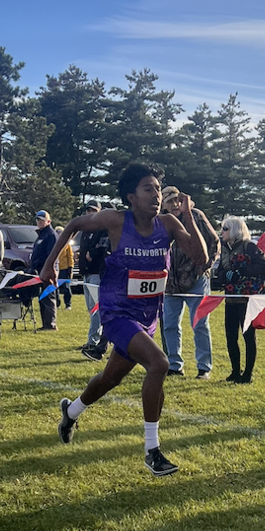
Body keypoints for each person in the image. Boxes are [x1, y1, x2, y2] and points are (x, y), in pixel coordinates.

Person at [40, 163, 208, 476]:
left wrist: (188, 217)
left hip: (147, 317)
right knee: (159, 364)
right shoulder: (115, 220)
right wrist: (50, 266)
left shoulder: (169, 224)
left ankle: (71, 410)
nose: (156, 195)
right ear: (131, 196)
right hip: (116, 312)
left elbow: (202, 259)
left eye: (158, 189)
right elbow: (75, 223)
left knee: (110, 379)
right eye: (148, 189)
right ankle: (152, 451)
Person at [161, 186, 219, 380]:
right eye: (169, 201)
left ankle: (204, 367)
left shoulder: (195, 215)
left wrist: (205, 267)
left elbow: (214, 242)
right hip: (170, 283)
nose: (174, 204)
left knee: (200, 324)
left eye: (176, 199)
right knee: (169, 325)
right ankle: (174, 365)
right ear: (164, 205)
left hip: (196, 280)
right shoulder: (162, 221)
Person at [218, 216, 265, 385]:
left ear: (234, 230)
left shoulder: (249, 246)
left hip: (246, 299)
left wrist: (241, 273)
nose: (222, 232)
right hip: (231, 298)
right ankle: (235, 371)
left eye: (225, 229)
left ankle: (247, 374)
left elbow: (264, 266)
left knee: (248, 336)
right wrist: (226, 276)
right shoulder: (225, 248)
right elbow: (220, 272)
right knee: (230, 336)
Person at [78, 200, 111, 361]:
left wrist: (92, 252)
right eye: (88, 210)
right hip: (86, 272)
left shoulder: (102, 229)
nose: (89, 213)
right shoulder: (86, 230)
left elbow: (102, 249)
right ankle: (94, 340)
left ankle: (94, 341)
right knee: (91, 308)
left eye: (93, 210)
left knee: (96, 309)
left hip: (97, 273)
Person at [32, 210, 59, 330]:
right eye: (38, 220)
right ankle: (45, 323)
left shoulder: (51, 235)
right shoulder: (42, 235)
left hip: (47, 270)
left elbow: (52, 255)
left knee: (48, 296)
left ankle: (51, 324)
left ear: (48, 221)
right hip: (39, 271)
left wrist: (50, 270)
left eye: (42, 220)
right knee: (42, 297)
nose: (39, 222)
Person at [55, 226, 75, 310]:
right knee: (55, 288)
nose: (59, 234)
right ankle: (57, 304)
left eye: (60, 233)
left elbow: (70, 256)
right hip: (56, 268)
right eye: (57, 233)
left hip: (65, 268)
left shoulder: (67, 244)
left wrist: (70, 267)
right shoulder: (53, 243)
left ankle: (68, 304)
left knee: (66, 287)